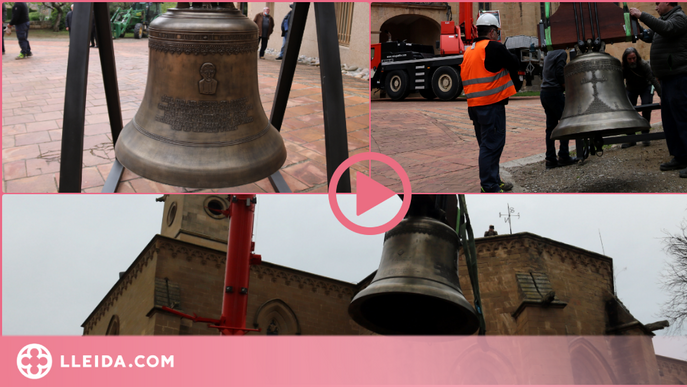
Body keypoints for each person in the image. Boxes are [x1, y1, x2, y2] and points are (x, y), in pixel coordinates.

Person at [460, 13, 519, 193]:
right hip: (491, 105)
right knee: (491, 146)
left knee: (487, 145)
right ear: (492, 32)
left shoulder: (469, 51)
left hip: (474, 107)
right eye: (497, 32)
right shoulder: (493, 47)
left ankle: (494, 179)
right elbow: (514, 63)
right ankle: (489, 185)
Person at [630, 3, 687, 177]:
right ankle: (680, 157)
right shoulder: (664, 20)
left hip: (680, 77)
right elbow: (649, 36)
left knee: (683, 120)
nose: (655, 7)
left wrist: (642, 15)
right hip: (667, 80)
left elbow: (666, 29)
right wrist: (636, 26)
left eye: (657, 3)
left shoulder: (679, 19)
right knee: (670, 121)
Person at [540, 49, 579, 169]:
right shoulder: (561, 52)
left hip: (545, 93)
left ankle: (550, 158)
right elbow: (559, 73)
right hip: (554, 92)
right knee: (565, 123)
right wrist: (568, 88)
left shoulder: (549, 53)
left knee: (550, 127)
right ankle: (563, 156)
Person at [621, 47, 662, 148]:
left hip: (645, 87)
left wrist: (662, 95)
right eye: (630, 59)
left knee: (646, 107)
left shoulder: (643, 65)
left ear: (637, 57)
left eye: (634, 58)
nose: (632, 61)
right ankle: (631, 138)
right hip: (631, 88)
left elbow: (653, 80)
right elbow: (619, 81)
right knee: (629, 111)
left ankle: (645, 135)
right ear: (626, 59)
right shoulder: (624, 68)